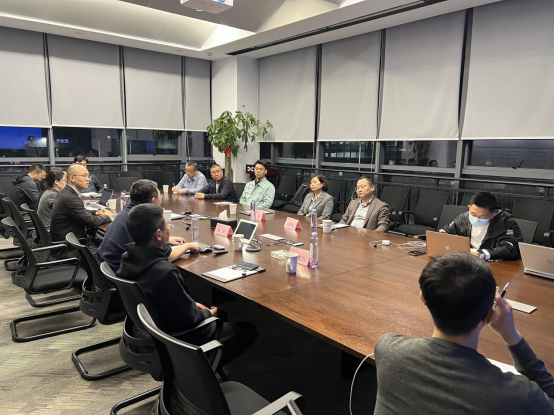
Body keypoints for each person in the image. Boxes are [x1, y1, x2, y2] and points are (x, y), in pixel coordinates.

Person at [374, 253, 554, 415]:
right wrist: (511, 335)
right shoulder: (519, 396)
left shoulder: (388, 349)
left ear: (423, 297)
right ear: (491, 315)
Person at [118, 204, 258, 368]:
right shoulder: (165, 272)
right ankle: (199, 372)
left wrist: (190, 304)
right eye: (167, 225)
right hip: (179, 340)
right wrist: (207, 313)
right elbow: (189, 320)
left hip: (154, 329)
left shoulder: (127, 258)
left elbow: (167, 298)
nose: (169, 228)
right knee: (247, 330)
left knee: (221, 315)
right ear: (158, 234)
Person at [98, 180, 200, 272]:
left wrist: (166, 239)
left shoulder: (126, 213)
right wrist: (188, 246)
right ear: (152, 201)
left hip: (106, 271)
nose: (161, 198)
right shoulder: (144, 219)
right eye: (160, 196)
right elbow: (167, 256)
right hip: (121, 277)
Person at [440, 191, 522, 261]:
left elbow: (510, 249)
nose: (476, 219)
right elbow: (447, 231)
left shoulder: (506, 223)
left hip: (493, 263)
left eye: (482, 217)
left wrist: (482, 254)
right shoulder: (464, 217)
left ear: (493, 214)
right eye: (473, 214)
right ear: (469, 207)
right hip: (467, 261)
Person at [50, 165, 112, 247]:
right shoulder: (70, 197)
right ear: (72, 178)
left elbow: (79, 211)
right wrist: (107, 216)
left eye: (88, 176)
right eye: (84, 176)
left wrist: (96, 212)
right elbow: (91, 221)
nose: (88, 179)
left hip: (68, 239)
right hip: (70, 246)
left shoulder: (67, 192)